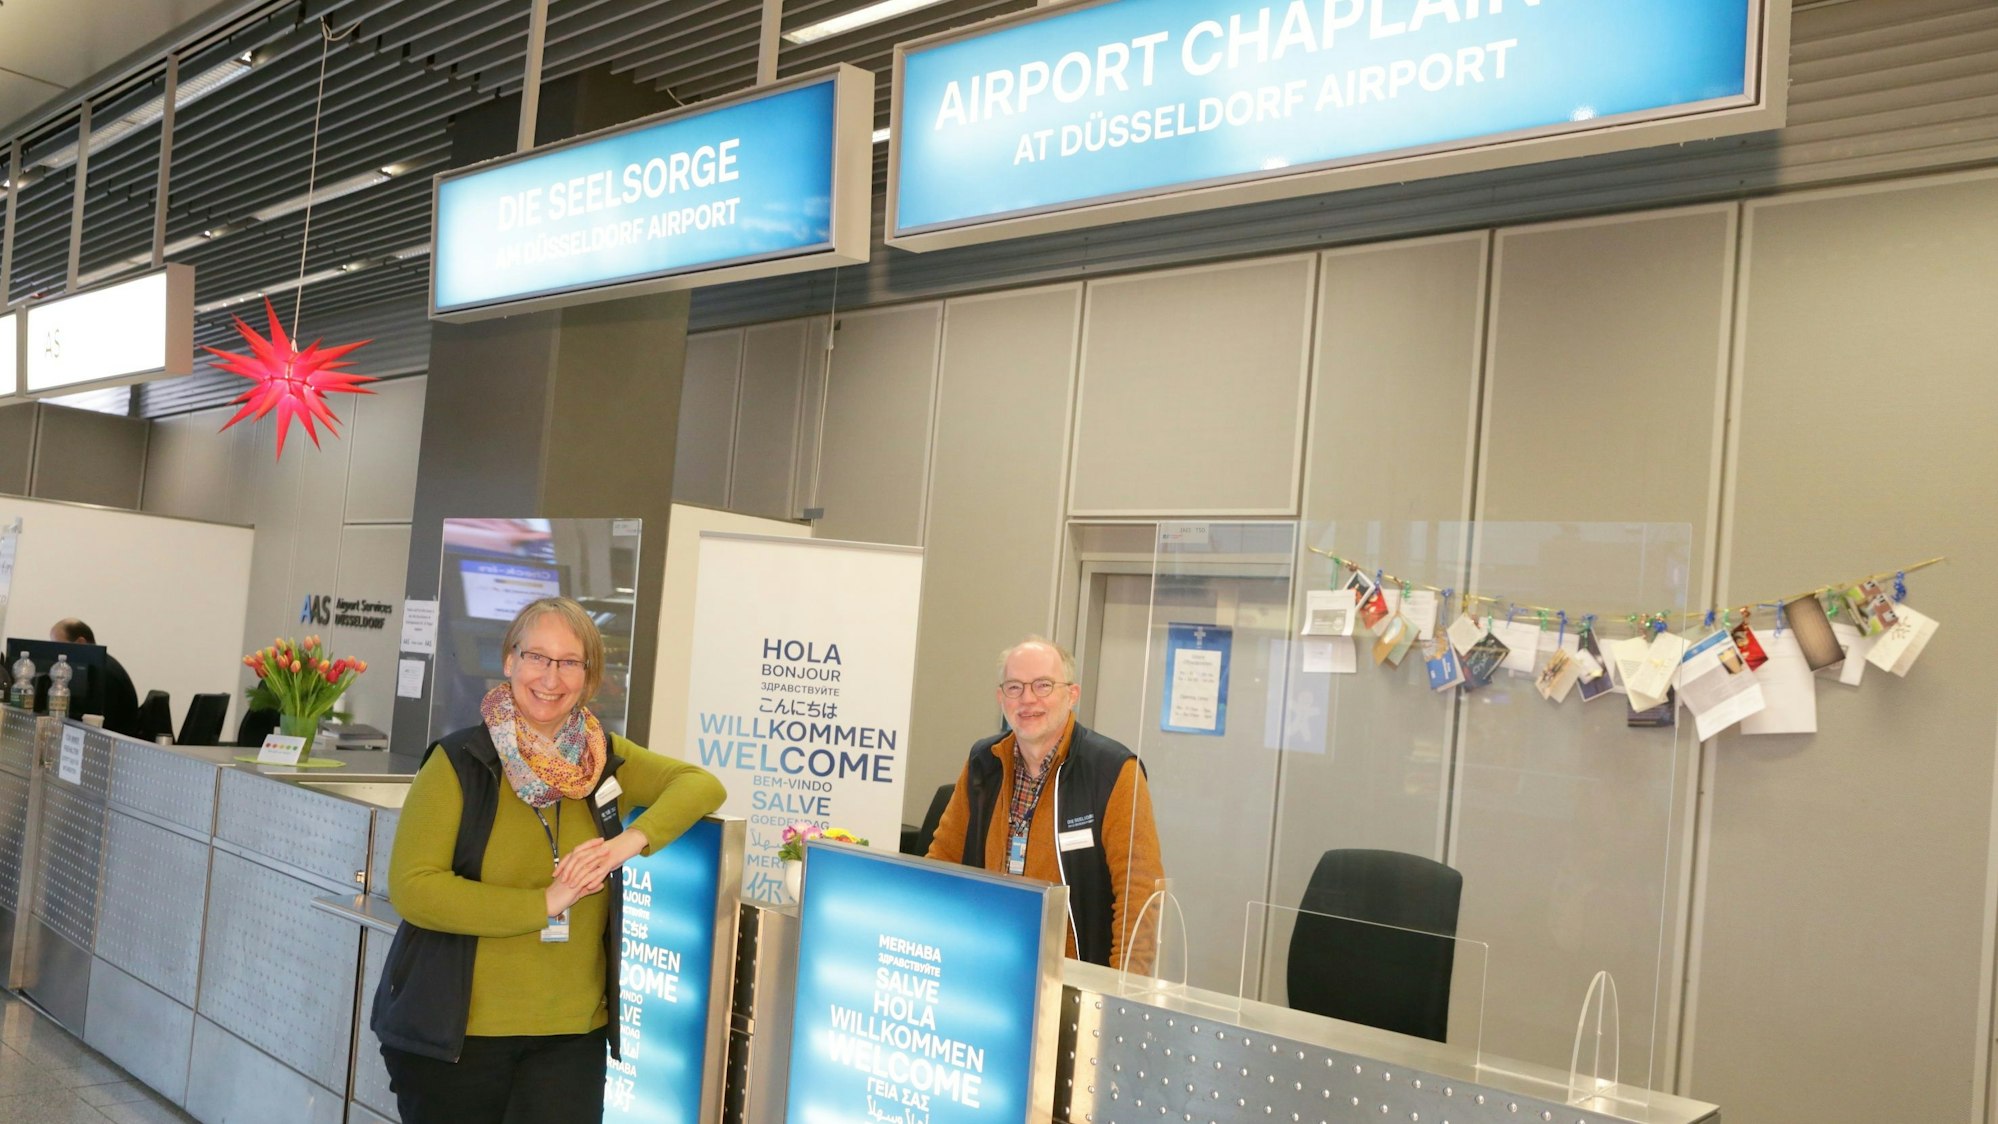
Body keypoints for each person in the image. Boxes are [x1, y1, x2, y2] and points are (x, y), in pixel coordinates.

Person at [372, 596, 724, 1123]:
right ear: (510, 661)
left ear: (588, 676)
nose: (550, 677)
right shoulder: (459, 762)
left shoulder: (604, 758)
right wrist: (546, 902)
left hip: (571, 1038)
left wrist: (625, 844)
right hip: (460, 1038)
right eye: (537, 657)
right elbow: (416, 888)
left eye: (569, 662)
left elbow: (701, 784)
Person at [927, 637, 1163, 971]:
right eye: (1014, 687)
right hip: (986, 964)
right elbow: (942, 862)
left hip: (1073, 979)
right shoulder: (984, 762)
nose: (1028, 699)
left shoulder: (1113, 772)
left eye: (1043, 685)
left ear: (1072, 694)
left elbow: (1139, 896)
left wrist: (1119, 993)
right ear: (1001, 698)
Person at [48, 619, 140, 739]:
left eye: (58, 646)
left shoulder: (105, 674)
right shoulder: (93, 669)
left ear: (81, 643)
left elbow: (99, 723)